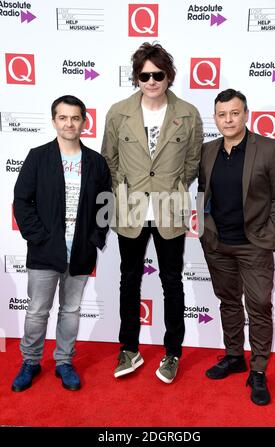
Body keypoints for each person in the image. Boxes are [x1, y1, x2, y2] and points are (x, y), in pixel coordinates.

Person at [101, 42, 203, 383]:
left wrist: (170, 186)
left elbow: (192, 164)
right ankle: (129, 348)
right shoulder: (118, 112)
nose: (152, 81)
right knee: (128, 281)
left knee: (171, 282)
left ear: (168, 76)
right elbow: (109, 161)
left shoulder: (187, 113)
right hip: (130, 210)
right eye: (144, 75)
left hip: (170, 208)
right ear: (136, 77)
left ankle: (172, 352)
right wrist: (125, 190)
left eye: (158, 74)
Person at [12, 95, 112, 392]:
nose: (70, 123)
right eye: (63, 118)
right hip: (44, 252)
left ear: (84, 121)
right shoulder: (38, 156)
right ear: (54, 120)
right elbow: (22, 201)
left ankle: (64, 362)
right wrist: (39, 237)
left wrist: (95, 239)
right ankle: (30, 361)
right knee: (37, 311)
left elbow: (105, 203)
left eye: (75, 118)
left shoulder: (95, 162)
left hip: (80, 251)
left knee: (71, 310)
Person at [198, 88, 275, 405]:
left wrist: (270, 233)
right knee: (228, 303)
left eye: (234, 113)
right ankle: (234, 355)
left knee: (260, 307)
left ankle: (259, 370)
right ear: (215, 118)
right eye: (222, 114)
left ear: (245, 114)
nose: (228, 119)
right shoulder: (207, 151)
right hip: (217, 244)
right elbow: (203, 193)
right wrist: (203, 227)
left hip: (254, 246)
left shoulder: (269, 149)